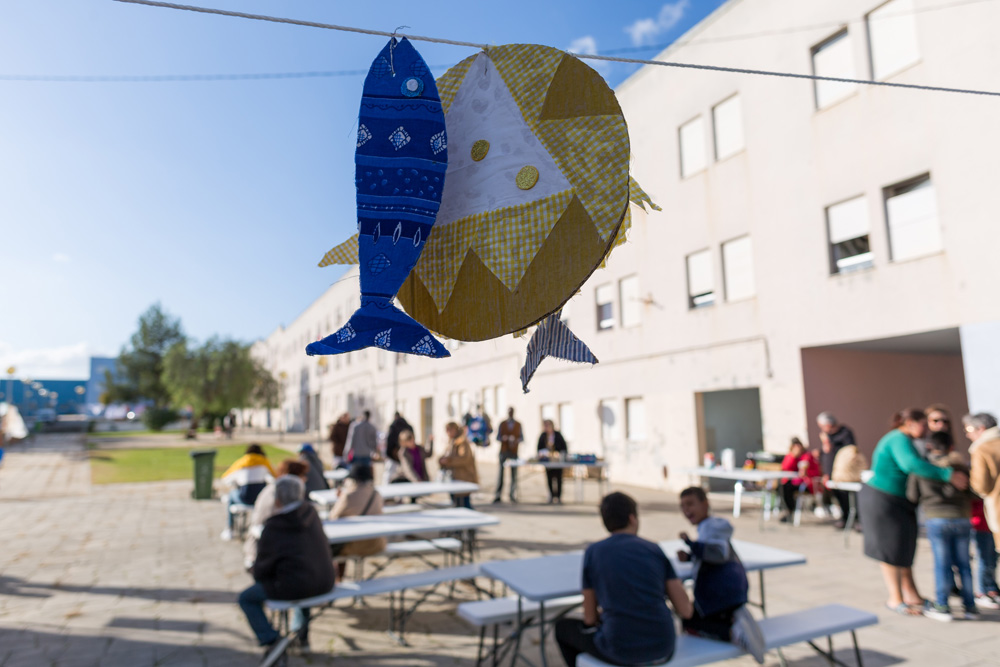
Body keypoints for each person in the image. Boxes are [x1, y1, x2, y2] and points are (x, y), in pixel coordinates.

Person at [554, 492, 692, 666]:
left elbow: (589, 617)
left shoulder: (594, 552)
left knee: (563, 628)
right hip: (663, 646)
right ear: (632, 518)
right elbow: (685, 609)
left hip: (621, 649)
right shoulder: (653, 549)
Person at [860, 408, 969, 616]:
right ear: (910, 423)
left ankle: (912, 595)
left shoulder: (908, 440)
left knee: (904, 549)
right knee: (890, 549)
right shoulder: (897, 438)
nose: (927, 429)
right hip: (883, 499)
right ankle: (895, 599)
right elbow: (910, 464)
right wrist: (947, 474)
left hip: (900, 501)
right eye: (924, 424)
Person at [238, 475, 335, 658]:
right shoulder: (311, 513)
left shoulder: (274, 525)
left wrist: (255, 570)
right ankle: (301, 636)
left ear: (277, 499)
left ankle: (272, 639)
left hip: (296, 586)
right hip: (325, 580)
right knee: (302, 576)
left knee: (247, 598)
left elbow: (262, 569)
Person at [677, 487, 766, 663]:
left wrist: (690, 544)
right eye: (682, 506)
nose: (686, 510)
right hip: (731, 592)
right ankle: (736, 620)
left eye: (690, 504)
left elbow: (717, 554)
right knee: (694, 616)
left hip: (719, 594)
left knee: (688, 620)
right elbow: (710, 556)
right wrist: (689, 556)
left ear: (705, 504)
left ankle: (733, 633)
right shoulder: (711, 527)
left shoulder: (712, 527)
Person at [906, 431, 978, 621]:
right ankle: (970, 606)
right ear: (951, 447)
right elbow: (973, 492)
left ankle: (942, 605)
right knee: (964, 564)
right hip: (962, 518)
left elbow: (912, 495)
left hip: (936, 518)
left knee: (942, 564)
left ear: (929, 446)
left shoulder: (923, 469)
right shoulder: (960, 467)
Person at [243, 459, 310, 570]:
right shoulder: (279, 494)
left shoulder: (278, 489)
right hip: (262, 553)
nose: (306, 478)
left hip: (271, 547)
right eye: (303, 475)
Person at [965, 412, 1000, 609]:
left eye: (969, 429)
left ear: (981, 429)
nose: (968, 434)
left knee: (986, 555)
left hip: (996, 510)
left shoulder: (982, 448)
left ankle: (985, 590)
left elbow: (981, 486)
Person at [328, 463, 387, 580]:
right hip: (376, 543)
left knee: (337, 542)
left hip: (355, 545)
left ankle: (338, 578)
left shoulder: (348, 495)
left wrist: (340, 499)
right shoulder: (376, 494)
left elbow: (333, 519)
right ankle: (340, 577)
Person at [220, 444, 276, 541]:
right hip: (259, 499)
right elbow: (275, 476)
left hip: (244, 498)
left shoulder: (242, 462)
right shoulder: (264, 462)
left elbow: (225, 478)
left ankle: (229, 528)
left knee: (231, 494)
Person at [817, 412, 856, 527]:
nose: (822, 429)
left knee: (848, 495)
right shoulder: (827, 436)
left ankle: (855, 519)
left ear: (829, 424)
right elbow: (827, 454)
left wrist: (828, 443)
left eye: (822, 426)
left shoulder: (845, 433)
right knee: (837, 495)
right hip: (831, 472)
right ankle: (845, 518)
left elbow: (849, 451)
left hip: (844, 471)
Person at [778, 438, 820, 523]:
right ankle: (789, 511)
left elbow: (815, 471)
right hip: (794, 482)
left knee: (787, 488)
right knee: (784, 487)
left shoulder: (807, 456)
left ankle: (790, 511)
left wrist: (806, 472)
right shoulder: (791, 456)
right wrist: (793, 456)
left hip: (806, 484)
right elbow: (785, 467)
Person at [439, 422, 478, 508]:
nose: (447, 432)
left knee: (464, 503)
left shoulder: (462, 442)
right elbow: (446, 454)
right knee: (455, 503)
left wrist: (448, 461)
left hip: (463, 477)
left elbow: (464, 459)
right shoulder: (451, 441)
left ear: (454, 430)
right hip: (453, 477)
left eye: (449, 430)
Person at [494, 407, 523, 504]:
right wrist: (504, 438)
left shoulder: (518, 424)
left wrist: (515, 439)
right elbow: (498, 437)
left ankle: (512, 494)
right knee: (501, 474)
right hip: (504, 451)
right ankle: (498, 495)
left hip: (514, 451)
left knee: (514, 474)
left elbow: (521, 438)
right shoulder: (502, 424)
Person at [537, 419, 568, 504]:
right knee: (549, 478)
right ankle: (551, 495)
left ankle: (558, 496)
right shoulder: (543, 436)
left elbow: (563, 447)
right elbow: (539, 448)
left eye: (547, 425)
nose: (546, 427)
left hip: (557, 461)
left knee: (558, 478)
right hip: (548, 461)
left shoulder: (557, 435)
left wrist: (559, 453)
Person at [384, 411, 413, 485]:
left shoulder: (393, 427)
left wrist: (389, 453)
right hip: (406, 454)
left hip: (395, 455)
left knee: (389, 475)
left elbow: (389, 442)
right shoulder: (408, 426)